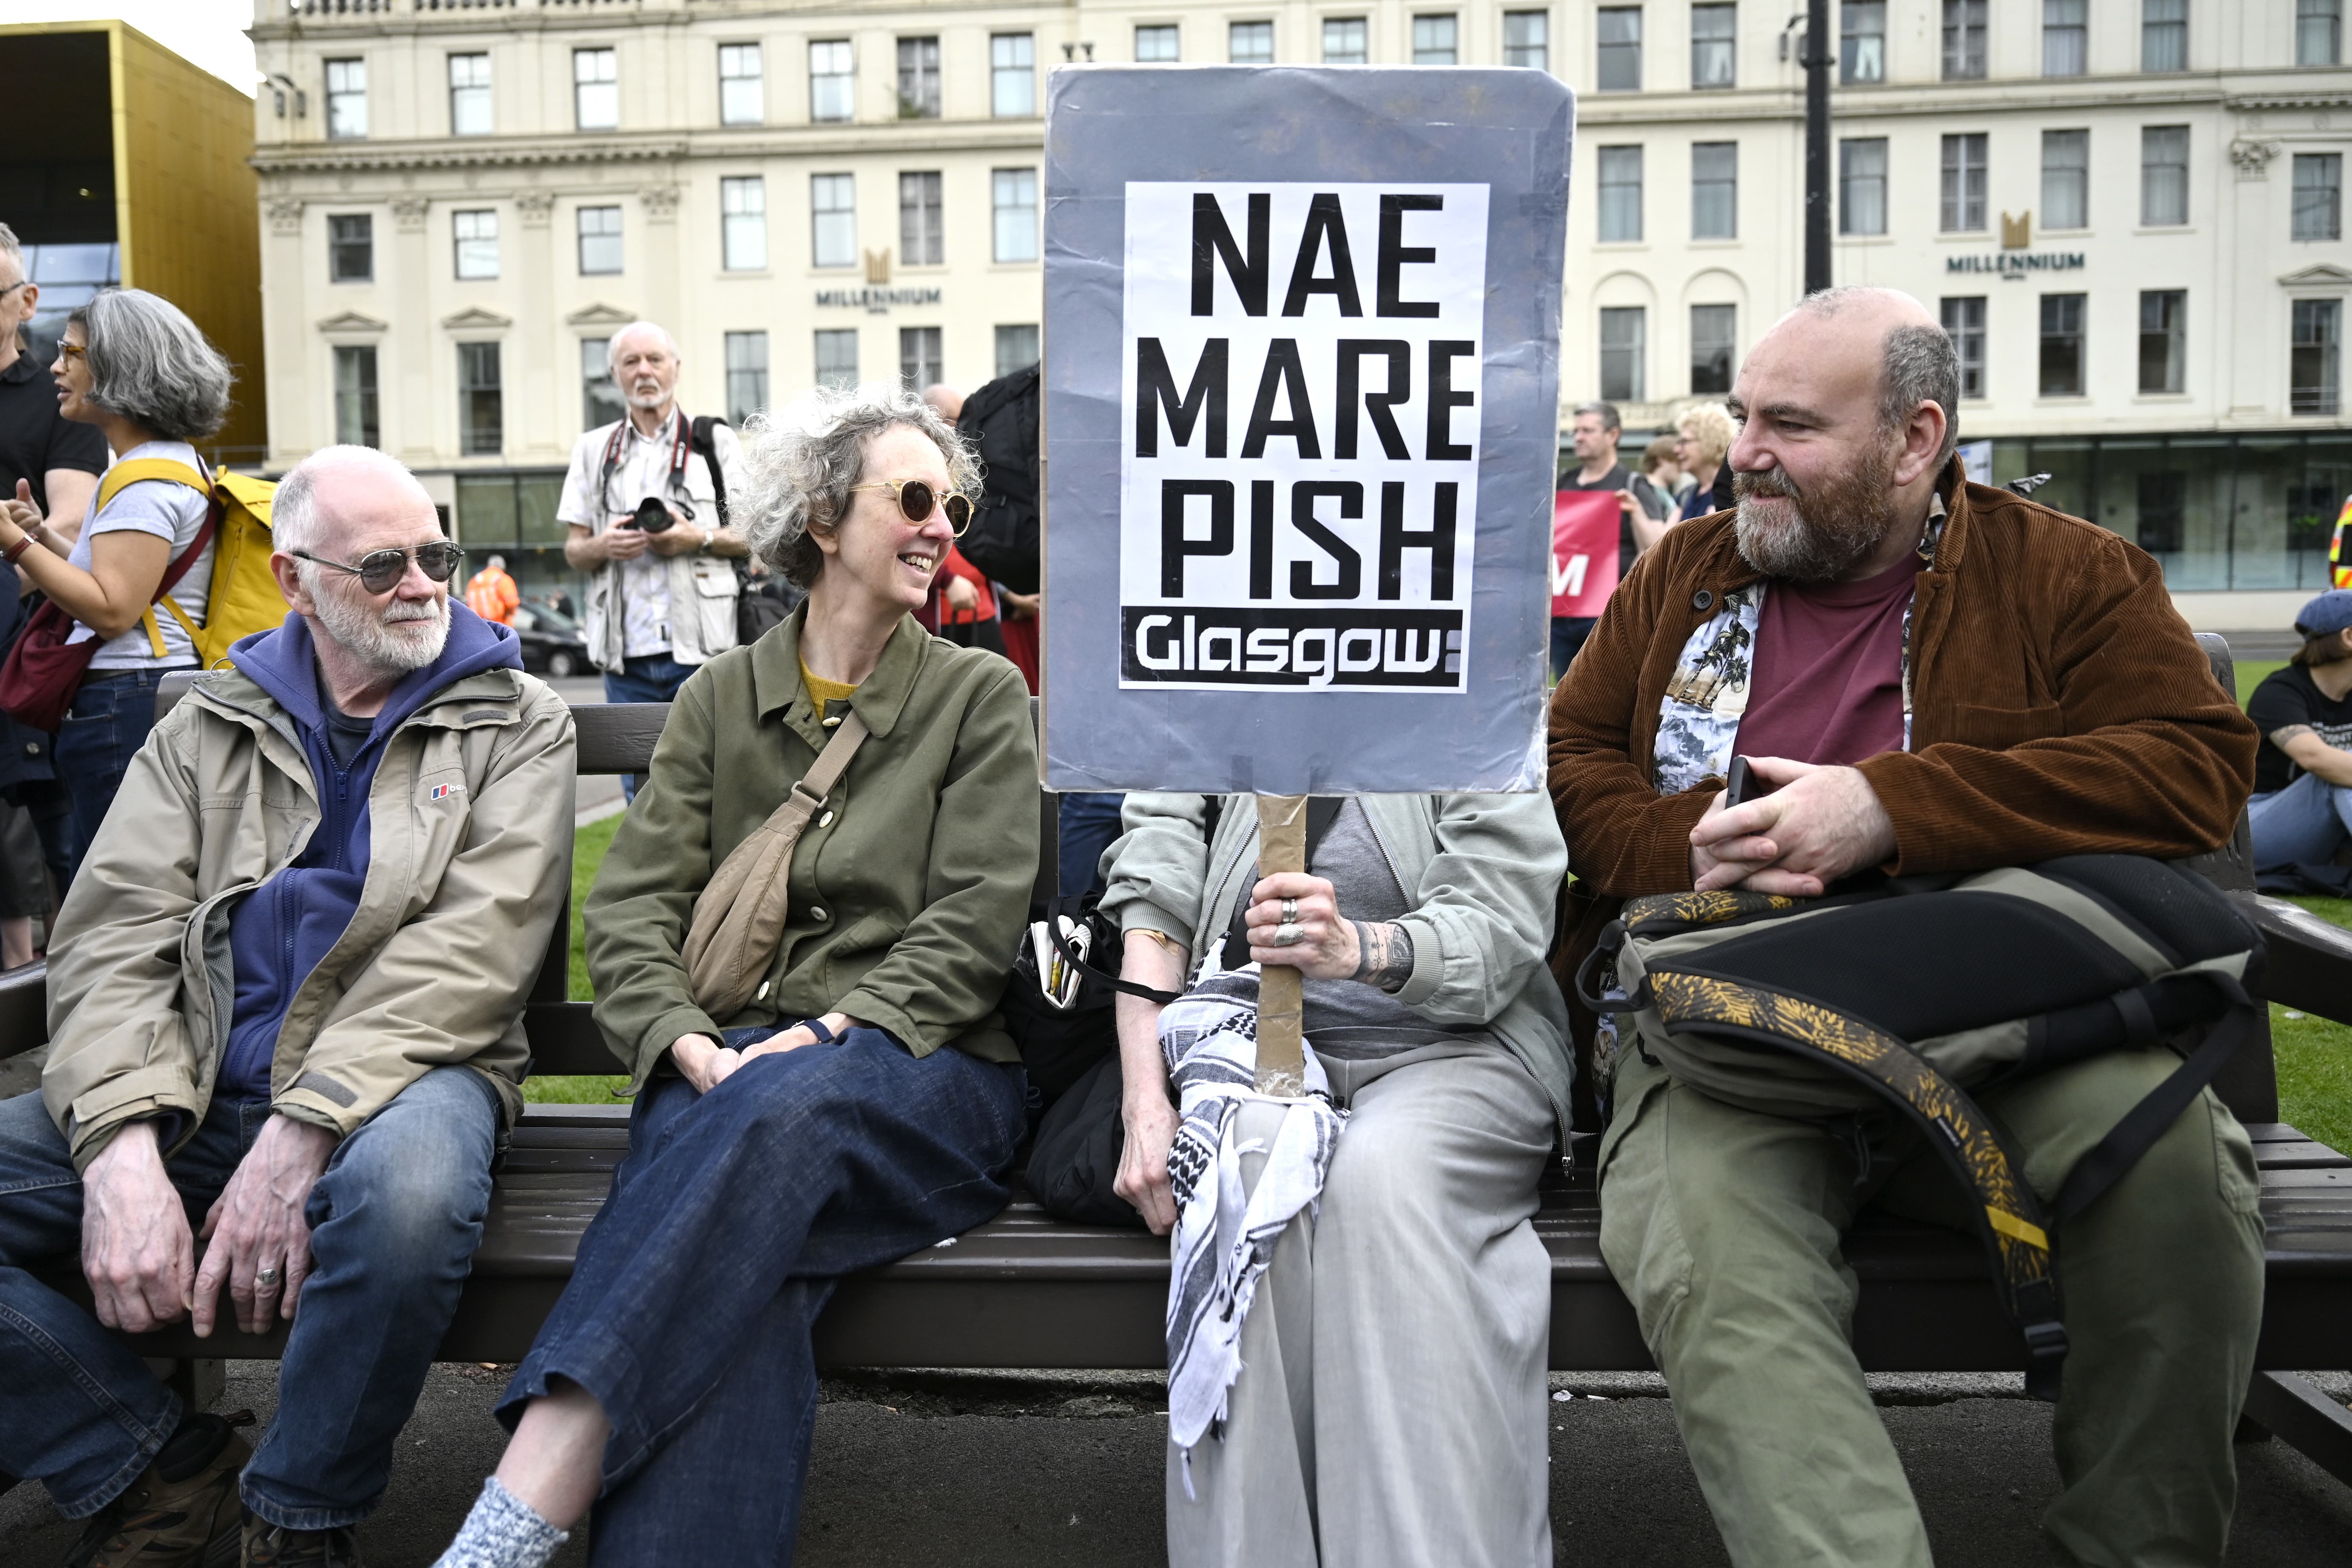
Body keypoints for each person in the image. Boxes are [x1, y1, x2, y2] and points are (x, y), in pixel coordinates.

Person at [1549, 286, 2263, 1568]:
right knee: (1717, 1255)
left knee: (2175, 1180)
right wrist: (1680, 844)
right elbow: (1580, 746)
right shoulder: (1685, 572)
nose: (1745, 450)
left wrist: (1890, 808)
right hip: (1724, 1011)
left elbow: (2190, 767)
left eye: (1791, 425)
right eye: (1740, 415)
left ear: (1915, 436)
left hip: (1991, 996)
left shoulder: (2071, 573)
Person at [432, 384, 1037, 1568]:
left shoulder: (976, 694)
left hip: (924, 1071)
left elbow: (973, 923)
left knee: (770, 1118)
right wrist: (685, 1041)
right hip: (723, 1074)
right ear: (821, 518)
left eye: (953, 504)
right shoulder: (718, 698)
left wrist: (833, 1032)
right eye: (913, 498)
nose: (940, 528)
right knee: (747, 1267)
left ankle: (515, 1508)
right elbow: (635, 911)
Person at [0, 444, 574, 1567]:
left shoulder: (515, 718)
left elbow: (474, 954)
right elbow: (114, 936)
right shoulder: (207, 720)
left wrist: (301, 1129)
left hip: (410, 1078)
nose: (423, 584)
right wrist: (118, 1147)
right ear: (298, 572)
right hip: (194, 1076)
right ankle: (155, 1463)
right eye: (383, 564)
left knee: (406, 1204)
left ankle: (299, 1513)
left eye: (437, 556)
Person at [1099, 790, 1571, 1566]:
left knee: (1380, 1176)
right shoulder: (1217, 678)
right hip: (1248, 1041)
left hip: (1458, 1051)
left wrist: (1358, 946)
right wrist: (1145, 1099)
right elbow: (1156, 882)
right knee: (1246, 1171)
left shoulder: (1469, 685)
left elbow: (1504, 913)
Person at [0, 289, 232, 887]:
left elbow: (111, 609)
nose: (56, 366)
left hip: (122, 700)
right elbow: (124, 582)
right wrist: (46, 541)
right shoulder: (170, 465)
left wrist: (16, 546)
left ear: (120, 367)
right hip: (144, 695)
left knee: (113, 896)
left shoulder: (142, 480)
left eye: (71, 352)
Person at [557, 321, 750, 796]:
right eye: (631, 362)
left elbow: (756, 536)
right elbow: (574, 550)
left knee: (714, 790)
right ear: (615, 374)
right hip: (628, 658)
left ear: (675, 368)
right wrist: (604, 546)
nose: (645, 371)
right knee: (640, 798)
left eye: (655, 359)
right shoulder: (593, 450)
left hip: (704, 651)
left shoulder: (713, 442)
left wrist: (696, 538)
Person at [1552, 401, 1670, 678]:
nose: (1578, 437)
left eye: (1588, 431)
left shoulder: (1632, 485)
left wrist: (1636, 511)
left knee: (1602, 692)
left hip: (1607, 613)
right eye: (1576, 431)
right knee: (1561, 697)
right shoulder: (1563, 483)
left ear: (1612, 435)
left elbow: (1659, 545)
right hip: (1562, 612)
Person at [2246, 589, 2352, 868]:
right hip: (2258, 829)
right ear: (2348, 637)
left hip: (2322, 834)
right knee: (2333, 775)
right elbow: (2313, 758)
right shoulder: (2280, 691)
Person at [1673, 402, 1736, 523]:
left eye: (1684, 442)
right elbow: (1663, 540)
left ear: (1711, 441)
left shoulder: (1734, 494)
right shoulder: (1686, 496)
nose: (1677, 450)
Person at [465, 552, 520, 626]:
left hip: (477, 626)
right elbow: (512, 604)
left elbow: (469, 602)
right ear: (503, 567)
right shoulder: (503, 579)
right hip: (499, 627)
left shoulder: (475, 580)